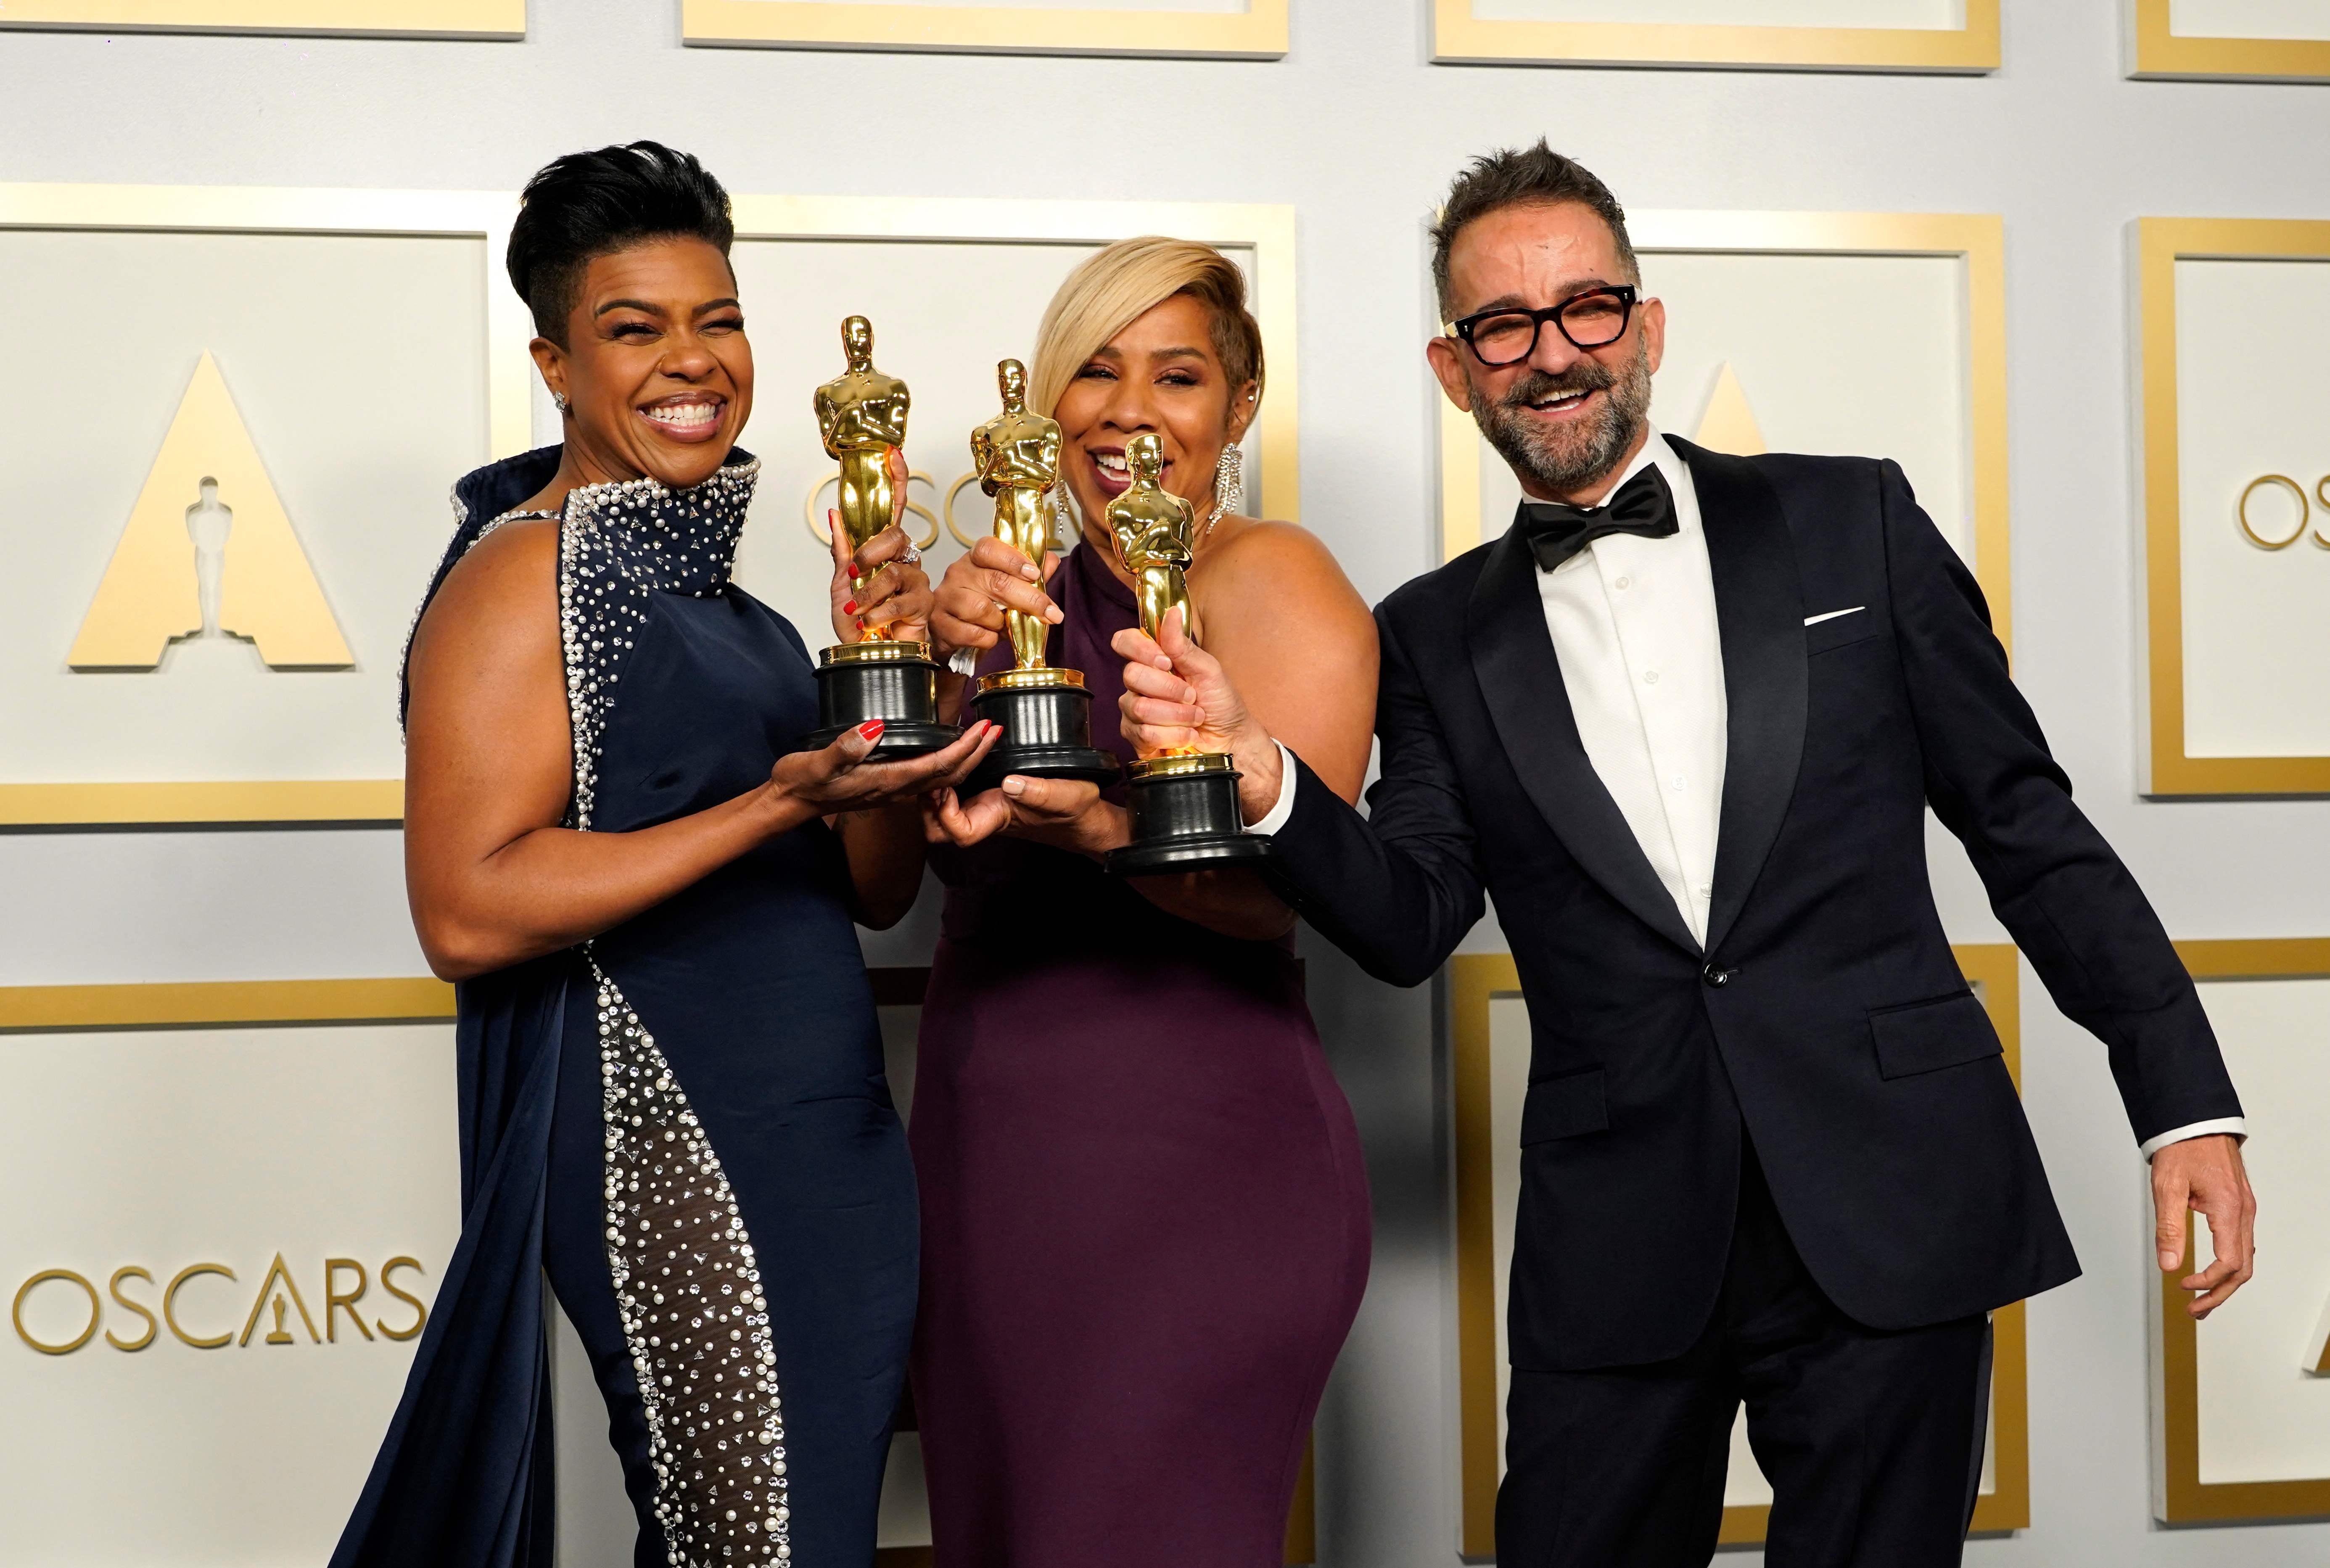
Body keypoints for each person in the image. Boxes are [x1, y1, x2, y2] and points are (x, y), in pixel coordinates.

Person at [1115, 144, 2257, 1568]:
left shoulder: (1859, 521)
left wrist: (2184, 1101)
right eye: (1504, 327)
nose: (1552, 355)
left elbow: (2028, 827)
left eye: (1587, 308)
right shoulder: (1432, 632)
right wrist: (1266, 774)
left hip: (1890, 1195)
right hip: (1622, 1236)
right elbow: (1409, 920)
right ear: (1453, 368)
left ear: (1647, 327)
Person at [331, 142, 998, 1568]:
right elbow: (465, 905)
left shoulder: (733, 611)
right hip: (675, 1155)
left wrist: (868, 673)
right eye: (634, 329)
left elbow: (874, 890)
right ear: (556, 363)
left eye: (720, 319)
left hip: (830, 1158)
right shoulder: (523, 572)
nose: (691, 363)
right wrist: (774, 799)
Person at [909, 237, 1376, 1567]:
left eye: (1177, 375)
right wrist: (919, 664)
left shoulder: (1267, 576)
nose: (1129, 411)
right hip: (990, 1164)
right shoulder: (1019, 604)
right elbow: (887, 875)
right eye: (1094, 372)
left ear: (1238, 406)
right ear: (1046, 404)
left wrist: (1104, 824)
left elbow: (1282, 899)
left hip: (1191, 1168)